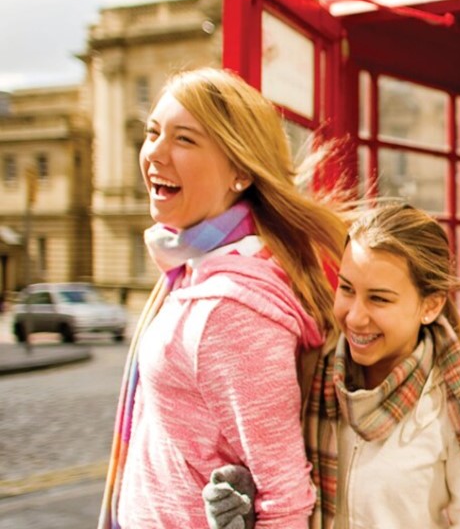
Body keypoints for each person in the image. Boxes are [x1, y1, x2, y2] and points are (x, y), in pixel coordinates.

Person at [98, 67, 348, 528]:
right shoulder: (191, 269)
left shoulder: (230, 309)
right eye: (153, 132)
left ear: (239, 171)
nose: (155, 152)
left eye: (184, 139)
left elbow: (286, 495)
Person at [206, 203, 460, 529]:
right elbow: (278, 483)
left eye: (379, 299)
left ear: (430, 305)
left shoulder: (457, 395)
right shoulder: (308, 370)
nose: (355, 317)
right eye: (346, 289)